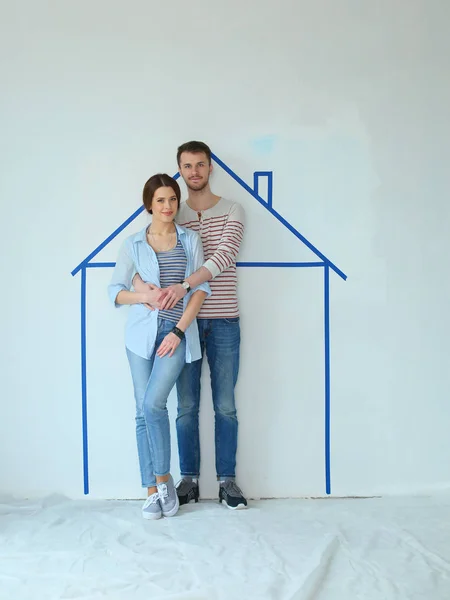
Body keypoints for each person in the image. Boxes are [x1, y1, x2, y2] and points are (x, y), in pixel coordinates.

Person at [134, 141, 247, 509]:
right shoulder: (172, 215)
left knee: (226, 405)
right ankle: (189, 480)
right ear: (180, 170)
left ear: (210, 167)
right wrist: (145, 291)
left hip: (225, 319)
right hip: (187, 326)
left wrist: (183, 285)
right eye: (187, 166)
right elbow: (142, 259)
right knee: (185, 406)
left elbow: (223, 256)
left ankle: (227, 481)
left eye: (200, 164)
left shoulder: (233, 209)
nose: (194, 171)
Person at [108, 173, 210, 520]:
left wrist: (178, 332)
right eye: (161, 200)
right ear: (149, 205)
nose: (168, 206)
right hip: (139, 334)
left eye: (172, 199)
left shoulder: (189, 240)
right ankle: (153, 490)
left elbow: (200, 291)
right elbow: (115, 291)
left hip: (176, 332)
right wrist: (144, 295)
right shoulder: (133, 243)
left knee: (154, 404)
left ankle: (163, 479)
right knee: (142, 410)